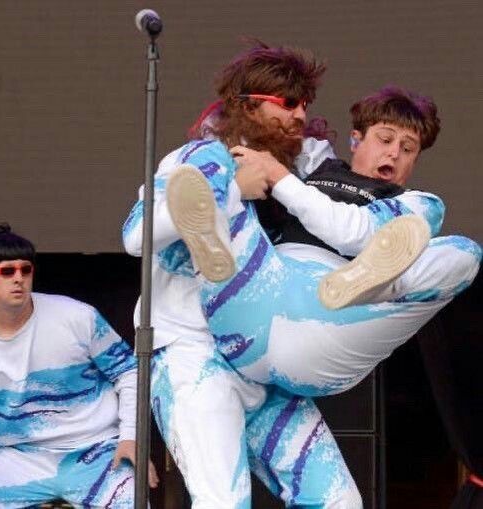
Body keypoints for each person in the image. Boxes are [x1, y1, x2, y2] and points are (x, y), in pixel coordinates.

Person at [124, 43, 362, 509]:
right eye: (287, 103)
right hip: (194, 353)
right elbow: (136, 235)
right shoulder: (197, 157)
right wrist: (231, 189)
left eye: (305, 106)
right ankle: (214, 232)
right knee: (223, 503)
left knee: (338, 502)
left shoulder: (295, 172)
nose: (300, 115)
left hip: (262, 361)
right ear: (247, 104)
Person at [162, 84, 481, 399]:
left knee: (464, 253)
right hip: (255, 306)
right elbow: (265, 133)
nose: (394, 152)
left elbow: (353, 234)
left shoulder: (418, 203)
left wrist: (280, 178)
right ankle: (208, 242)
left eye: (408, 148)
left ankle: (375, 285)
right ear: (356, 140)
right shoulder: (315, 166)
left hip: (328, 325)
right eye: (385, 139)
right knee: (234, 189)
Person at [0, 224, 151, 508]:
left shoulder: (77, 316)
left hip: (96, 449)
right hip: (17, 458)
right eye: (7, 271)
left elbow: (130, 371)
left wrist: (130, 438)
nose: (18, 278)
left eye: (26, 269)